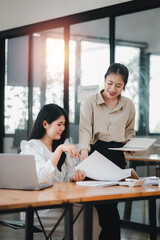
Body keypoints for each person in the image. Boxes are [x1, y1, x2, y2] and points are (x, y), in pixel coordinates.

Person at [20, 103, 100, 240]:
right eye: (59, 124)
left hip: (62, 202)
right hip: (39, 207)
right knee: (78, 218)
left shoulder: (64, 145)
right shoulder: (32, 146)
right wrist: (59, 150)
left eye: (64, 125)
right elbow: (41, 178)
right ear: (45, 124)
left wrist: (75, 177)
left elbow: (68, 176)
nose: (62, 128)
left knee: (89, 211)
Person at [79, 63, 135, 240]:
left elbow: (129, 131)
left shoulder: (128, 105)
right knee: (104, 208)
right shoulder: (90, 102)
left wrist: (129, 144)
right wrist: (84, 156)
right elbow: (85, 131)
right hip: (96, 154)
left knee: (110, 207)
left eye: (118, 85)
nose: (112, 88)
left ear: (124, 86)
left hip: (117, 156)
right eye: (110, 83)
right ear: (104, 79)